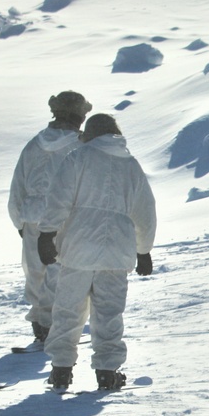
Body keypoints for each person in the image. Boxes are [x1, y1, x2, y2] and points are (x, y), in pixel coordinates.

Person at [38, 114, 157, 392]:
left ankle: (61, 370)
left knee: (68, 308)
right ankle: (106, 371)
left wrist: (47, 233)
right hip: (117, 250)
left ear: (90, 135)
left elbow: (59, 198)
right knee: (109, 311)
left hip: (78, 247)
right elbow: (146, 212)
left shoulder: (78, 158)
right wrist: (144, 250)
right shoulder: (131, 165)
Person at [8, 90, 92, 351]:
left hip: (32, 216)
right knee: (61, 273)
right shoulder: (80, 145)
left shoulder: (34, 144)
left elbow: (17, 186)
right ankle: (56, 328)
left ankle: (41, 325)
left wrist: (19, 222)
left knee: (35, 272)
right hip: (64, 217)